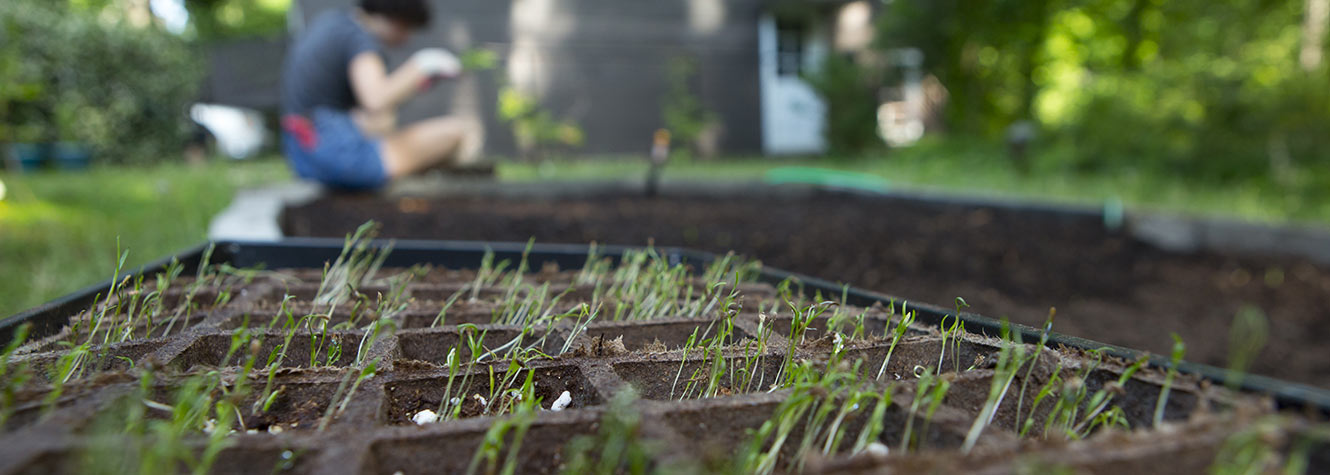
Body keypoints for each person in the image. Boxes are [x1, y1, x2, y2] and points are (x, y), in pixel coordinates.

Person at [281, 0, 483, 190]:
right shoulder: (358, 38)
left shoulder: (333, 23)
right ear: (395, 16)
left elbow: (374, 118)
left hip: (303, 152)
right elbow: (376, 100)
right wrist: (424, 64)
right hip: (336, 154)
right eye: (407, 28)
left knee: (383, 126)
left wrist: (412, 86)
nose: (408, 38)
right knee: (456, 132)